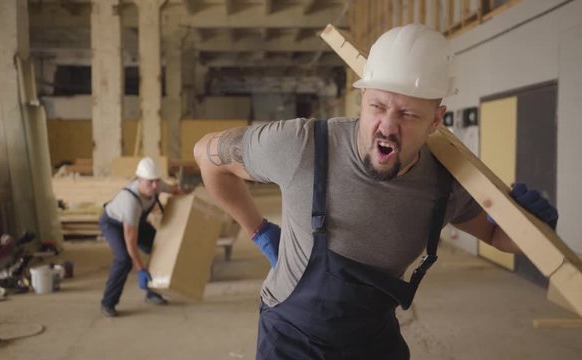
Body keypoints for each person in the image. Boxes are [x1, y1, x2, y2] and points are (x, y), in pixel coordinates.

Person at [194, 24, 559, 359]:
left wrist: (533, 227)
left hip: (371, 341)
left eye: (409, 115)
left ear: (436, 120)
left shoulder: (445, 184)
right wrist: (256, 230)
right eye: (378, 106)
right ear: (362, 98)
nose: (387, 126)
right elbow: (205, 155)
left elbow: (497, 236)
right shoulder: (301, 146)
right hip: (290, 339)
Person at [99, 156, 178, 317]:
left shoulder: (157, 185)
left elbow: (175, 190)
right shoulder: (130, 202)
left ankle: (153, 292)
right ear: (139, 179)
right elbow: (130, 241)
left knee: (159, 246)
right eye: (150, 182)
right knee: (124, 260)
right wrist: (140, 268)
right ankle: (108, 303)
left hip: (136, 222)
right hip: (113, 224)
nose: (154, 185)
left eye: (156, 180)